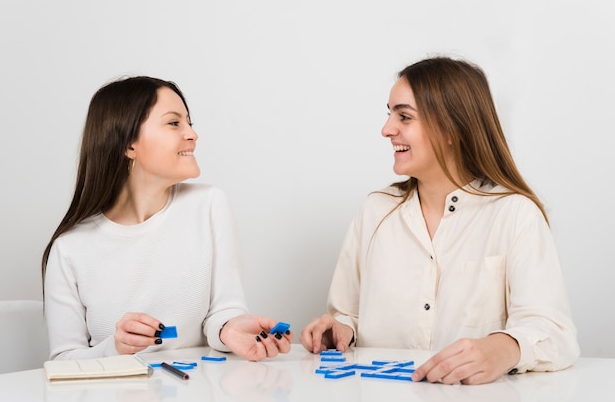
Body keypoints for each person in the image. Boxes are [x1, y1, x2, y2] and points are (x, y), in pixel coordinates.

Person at [300, 56, 580, 385]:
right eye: (389, 114)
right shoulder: (375, 210)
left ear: (450, 128)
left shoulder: (514, 215)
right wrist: (340, 330)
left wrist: (505, 347)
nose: (387, 129)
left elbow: (554, 332)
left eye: (404, 116)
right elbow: (347, 315)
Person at [42, 76, 292, 361]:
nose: (192, 134)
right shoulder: (70, 249)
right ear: (129, 145)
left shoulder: (209, 205)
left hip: (200, 393)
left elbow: (224, 309)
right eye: (174, 123)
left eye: (189, 123)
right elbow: (62, 361)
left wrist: (228, 329)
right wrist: (115, 347)